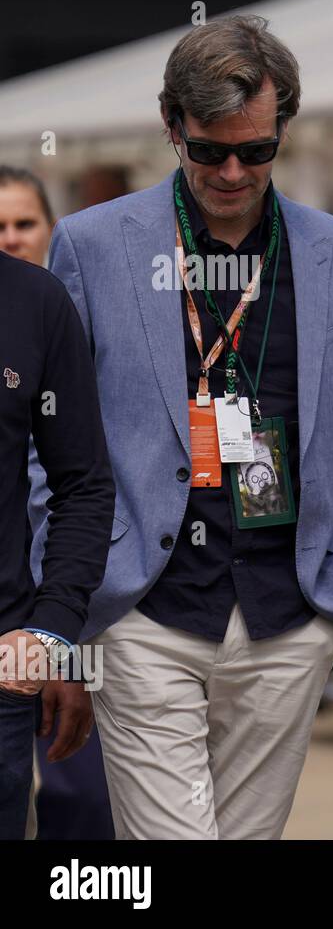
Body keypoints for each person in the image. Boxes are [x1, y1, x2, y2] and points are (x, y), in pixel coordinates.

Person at [29, 14, 333, 839]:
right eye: (209, 149)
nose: (233, 171)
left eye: (257, 151)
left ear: (284, 132)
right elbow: (53, 447)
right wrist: (72, 608)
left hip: (289, 613)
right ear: (172, 128)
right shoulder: (90, 245)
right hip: (143, 611)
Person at [1, 165, 117, 840]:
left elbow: (84, 482)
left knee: (82, 812)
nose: (13, 238)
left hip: (17, 652)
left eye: (25, 224)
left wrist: (52, 636)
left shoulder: (38, 305)